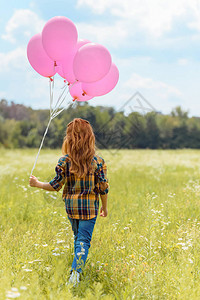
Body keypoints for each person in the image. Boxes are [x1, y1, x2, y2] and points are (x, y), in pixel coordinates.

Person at [29, 118, 109, 286]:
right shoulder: (98, 161)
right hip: (89, 209)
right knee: (83, 240)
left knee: (78, 238)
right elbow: (103, 187)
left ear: (69, 139)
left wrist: (37, 184)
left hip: (71, 208)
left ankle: (76, 268)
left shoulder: (64, 161)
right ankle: (75, 273)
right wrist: (105, 207)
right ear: (90, 138)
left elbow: (55, 186)